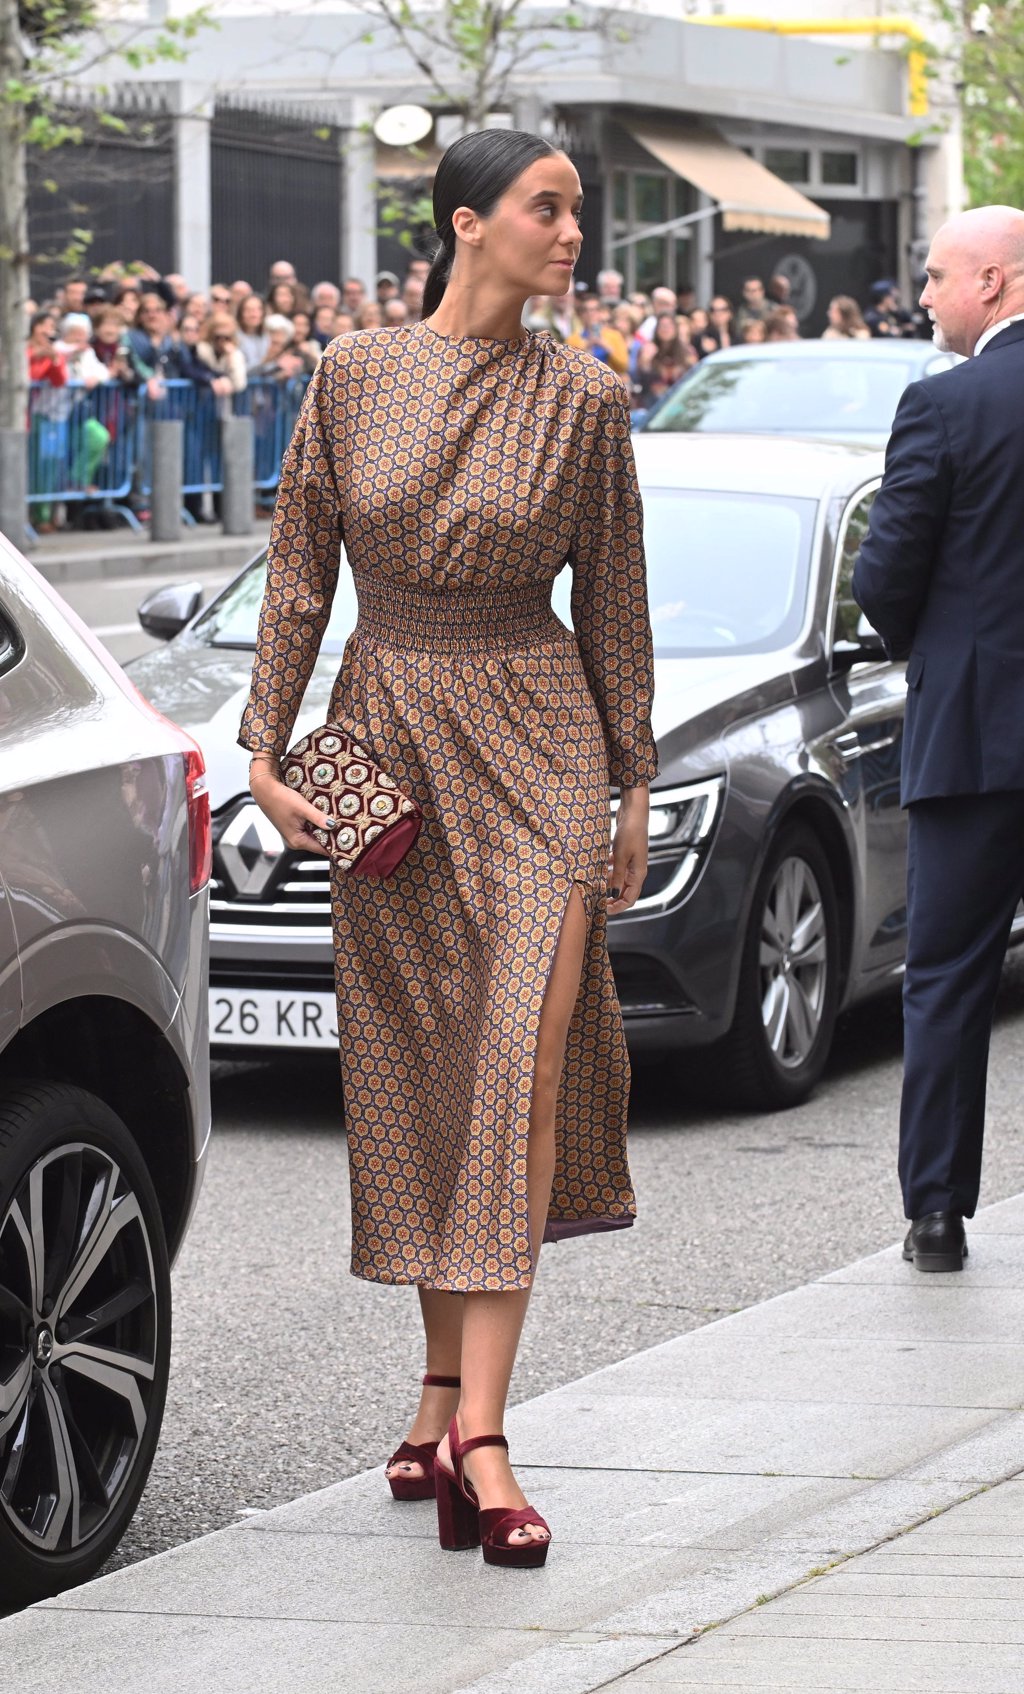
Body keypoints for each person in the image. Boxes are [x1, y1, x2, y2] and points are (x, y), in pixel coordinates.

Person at [239, 126, 656, 1569]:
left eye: (580, 212)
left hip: (539, 738)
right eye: (549, 207)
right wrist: (261, 748)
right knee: (423, 1060)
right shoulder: (352, 376)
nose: (572, 231)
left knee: (519, 1058)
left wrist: (635, 784)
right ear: (467, 221)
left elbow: (613, 603)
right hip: (388, 736)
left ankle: (483, 1427)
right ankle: (433, 1388)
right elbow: (298, 569)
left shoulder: (588, 398)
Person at [851, 204, 1024, 1275]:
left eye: (934, 277)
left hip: (972, 734)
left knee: (949, 973)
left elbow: (883, 574)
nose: (921, 298)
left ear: (995, 285)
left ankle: (936, 1212)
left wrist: (932, 642)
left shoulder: (945, 405)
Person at [635, 310, 691, 406]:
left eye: (669, 325)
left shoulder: (687, 352)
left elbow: (692, 379)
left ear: (675, 329)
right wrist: (645, 362)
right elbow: (641, 381)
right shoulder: (648, 349)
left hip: (679, 401)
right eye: (662, 326)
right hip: (654, 403)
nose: (666, 329)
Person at [566, 294, 629, 374]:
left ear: (600, 312)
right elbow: (568, 366)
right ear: (581, 314)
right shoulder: (572, 339)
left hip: (609, 382)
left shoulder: (614, 336)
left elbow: (623, 366)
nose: (590, 313)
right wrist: (587, 345)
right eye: (585, 310)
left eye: (594, 310)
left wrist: (606, 346)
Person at [236, 294, 270, 369]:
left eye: (258, 310)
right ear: (240, 314)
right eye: (248, 310)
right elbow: (240, 370)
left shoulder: (266, 336)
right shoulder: (234, 338)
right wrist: (265, 362)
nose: (253, 314)